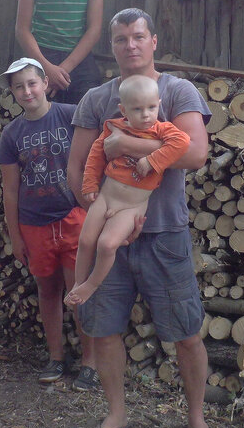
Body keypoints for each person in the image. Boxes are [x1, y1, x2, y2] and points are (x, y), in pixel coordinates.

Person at [67, 8, 223, 428]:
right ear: (112, 47)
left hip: (163, 233)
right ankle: (116, 413)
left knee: (187, 331)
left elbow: (194, 154)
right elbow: (77, 166)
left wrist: (129, 145)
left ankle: (195, 416)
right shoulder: (96, 100)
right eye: (121, 39)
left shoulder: (177, 91)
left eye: (138, 36)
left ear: (154, 41)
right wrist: (99, 207)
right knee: (103, 329)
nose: (130, 45)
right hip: (109, 234)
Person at [0, 56, 99, 389]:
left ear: (45, 83)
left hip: (73, 217)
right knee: (48, 291)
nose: (27, 91)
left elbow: (95, 160)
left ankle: (90, 361)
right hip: (34, 224)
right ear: (12, 92)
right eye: (19, 87)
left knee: (78, 290)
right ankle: (56, 356)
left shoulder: (71, 117)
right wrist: (16, 236)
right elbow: (10, 189)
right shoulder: (11, 135)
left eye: (32, 83)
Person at [65, 74, 190, 308]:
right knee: (86, 239)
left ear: (159, 104)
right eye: (137, 109)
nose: (146, 115)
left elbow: (182, 143)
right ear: (123, 109)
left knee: (107, 244)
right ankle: (77, 284)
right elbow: (95, 154)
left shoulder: (162, 130)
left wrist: (152, 161)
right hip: (106, 197)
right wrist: (90, 185)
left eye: (152, 107)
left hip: (131, 206)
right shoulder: (114, 127)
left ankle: (91, 284)